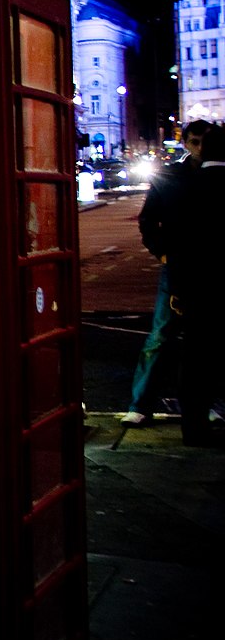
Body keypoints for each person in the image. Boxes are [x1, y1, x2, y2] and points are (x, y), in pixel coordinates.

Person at [121, 120, 213, 427]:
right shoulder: (171, 176)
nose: (200, 148)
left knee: (208, 339)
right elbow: (148, 220)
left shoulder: (218, 173)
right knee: (161, 335)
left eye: (205, 142)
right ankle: (140, 404)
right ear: (185, 142)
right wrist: (162, 253)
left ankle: (204, 403)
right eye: (196, 141)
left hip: (212, 267)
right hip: (177, 266)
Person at [165, 124, 225, 447]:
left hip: (196, 289)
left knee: (195, 358)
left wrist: (177, 287)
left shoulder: (187, 186)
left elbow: (175, 242)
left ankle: (193, 427)